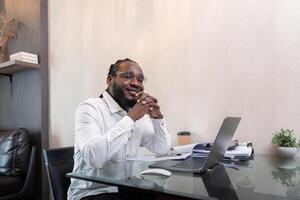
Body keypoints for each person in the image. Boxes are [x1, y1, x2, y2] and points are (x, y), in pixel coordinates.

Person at [68, 58, 171, 200]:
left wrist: (157, 117)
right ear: (110, 80)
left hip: (126, 189)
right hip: (92, 193)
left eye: (140, 79)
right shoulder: (89, 108)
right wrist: (131, 118)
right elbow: (95, 159)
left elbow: (162, 149)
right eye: (128, 76)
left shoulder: (137, 113)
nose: (136, 83)